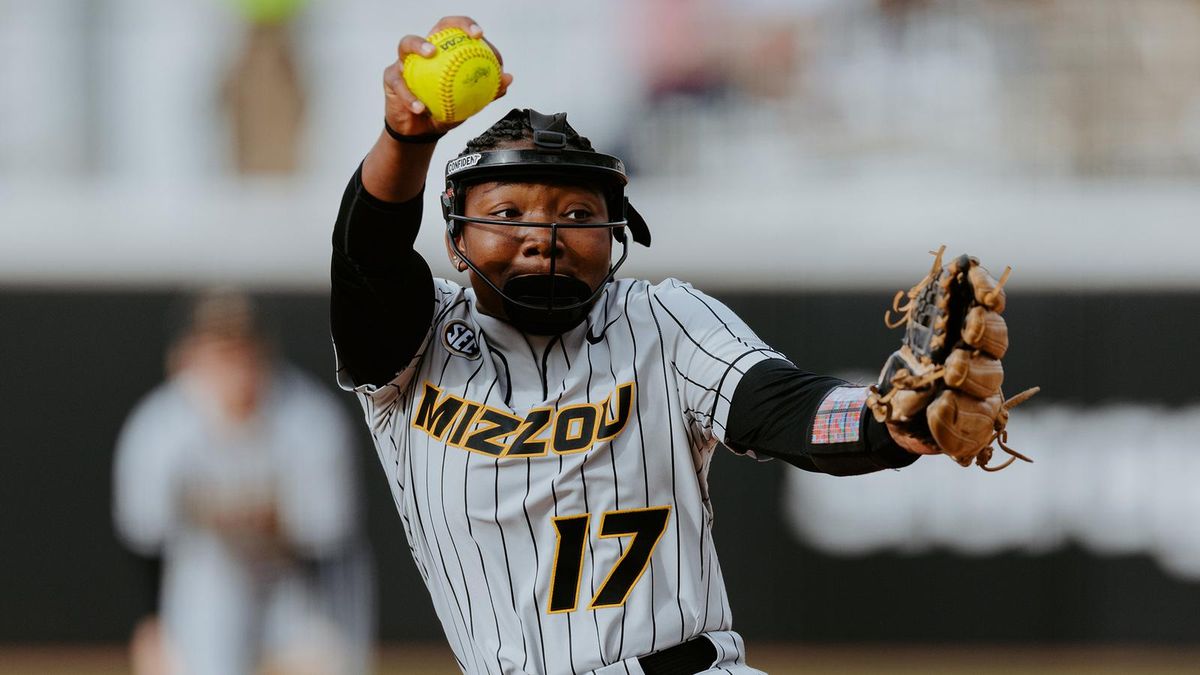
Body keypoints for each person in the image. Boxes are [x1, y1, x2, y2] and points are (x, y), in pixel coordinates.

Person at [330, 16, 943, 675]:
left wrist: (884, 421)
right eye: (508, 214)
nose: (546, 234)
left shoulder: (660, 320)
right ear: (454, 239)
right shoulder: (417, 344)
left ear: (615, 231)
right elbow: (369, 253)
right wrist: (406, 139)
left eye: (576, 213)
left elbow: (785, 408)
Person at [114, 290, 374, 675]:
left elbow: (329, 540)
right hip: (206, 577)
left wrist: (332, 644)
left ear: (266, 352)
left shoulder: (309, 420)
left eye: (243, 349)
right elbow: (146, 540)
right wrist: (152, 625)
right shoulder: (159, 427)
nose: (234, 366)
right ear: (186, 357)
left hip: (296, 580)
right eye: (219, 350)